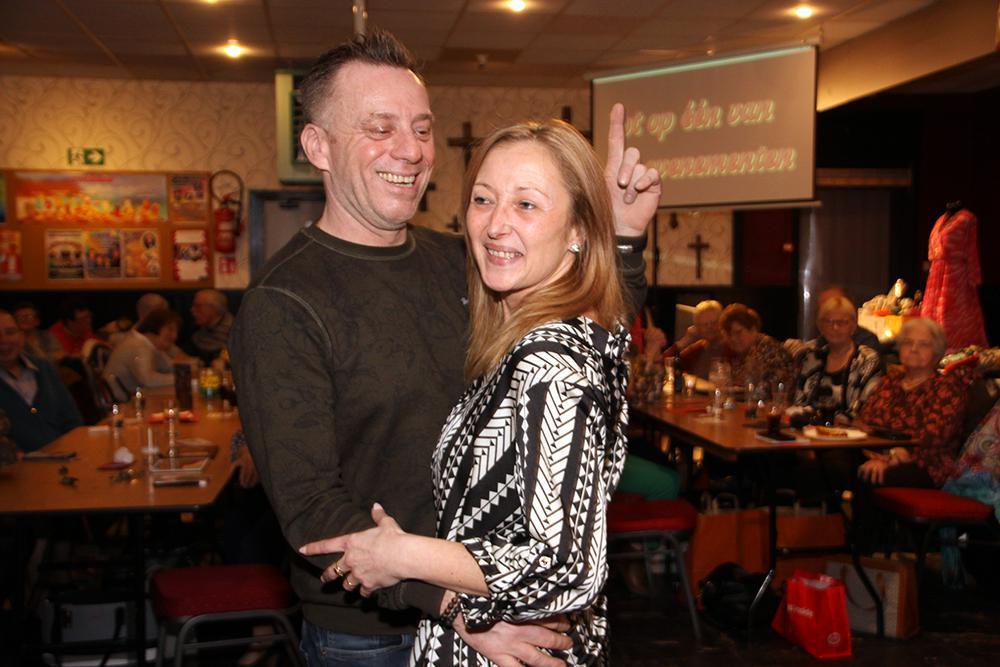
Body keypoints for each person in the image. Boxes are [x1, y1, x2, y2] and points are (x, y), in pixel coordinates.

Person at [230, 28, 657, 667]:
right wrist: (456, 606)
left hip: (506, 601)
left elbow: (585, 339)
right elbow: (311, 509)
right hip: (375, 633)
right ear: (318, 146)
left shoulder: (466, 259)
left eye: (422, 128)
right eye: (381, 128)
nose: (410, 150)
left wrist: (617, 238)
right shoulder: (283, 303)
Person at [301, 117, 640, 665]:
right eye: (483, 199)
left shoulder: (550, 363)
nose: (495, 224)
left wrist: (401, 555)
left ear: (578, 230)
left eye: (526, 204)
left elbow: (569, 568)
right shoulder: (542, 336)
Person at [856, 317, 970, 488]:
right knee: (835, 460)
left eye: (924, 344)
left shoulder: (948, 387)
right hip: (875, 453)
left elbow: (933, 438)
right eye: (908, 343)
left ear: (937, 352)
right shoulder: (890, 381)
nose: (914, 349)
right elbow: (865, 421)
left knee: (869, 474)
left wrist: (890, 458)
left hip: (924, 464)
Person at [0, 309, 82, 451]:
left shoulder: (42, 368)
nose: (3, 340)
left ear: (21, 336)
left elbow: (71, 418)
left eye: (10, 332)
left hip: (64, 456)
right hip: (17, 464)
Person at [793, 295, 882, 423]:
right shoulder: (811, 358)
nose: (835, 327)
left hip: (849, 431)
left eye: (842, 322)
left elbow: (866, 407)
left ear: (853, 326)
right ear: (820, 326)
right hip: (809, 429)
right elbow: (799, 401)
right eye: (829, 322)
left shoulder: (868, 359)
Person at [102, 308, 181, 401]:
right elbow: (148, 380)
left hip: (127, 399)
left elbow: (168, 366)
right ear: (155, 326)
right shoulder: (138, 346)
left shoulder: (146, 344)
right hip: (118, 403)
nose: (174, 336)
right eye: (170, 330)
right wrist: (182, 378)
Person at [719, 303, 793, 390]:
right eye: (728, 335)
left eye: (738, 332)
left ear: (753, 329)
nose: (733, 339)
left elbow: (777, 387)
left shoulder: (768, 348)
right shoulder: (746, 351)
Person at [663, 299, 726, 380]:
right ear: (697, 327)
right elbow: (665, 363)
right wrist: (684, 341)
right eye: (705, 324)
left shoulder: (733, 345)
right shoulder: (699, 348)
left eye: (714, 323)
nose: (710, 327)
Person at [189, 289, 232, 364]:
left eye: (198, 306)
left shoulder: (234, 332)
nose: (192, 310)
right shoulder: (197, 330)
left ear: (213, 308)